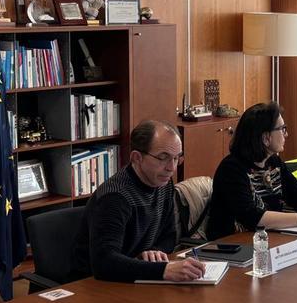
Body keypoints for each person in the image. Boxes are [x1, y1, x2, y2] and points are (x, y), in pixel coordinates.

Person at [71, 120, 206, 282]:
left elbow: (169, 236)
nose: (172, 168)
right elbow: (104, 263)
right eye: (163, 158)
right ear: (137, 158)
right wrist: (162, 270)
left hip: (136, 278)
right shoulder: (115, 197)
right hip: (93, 287)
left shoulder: (163, 183)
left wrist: (154, 251)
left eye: (177, 158)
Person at [207, 102, 297, 240]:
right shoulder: (232, 169)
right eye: (282, 129)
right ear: (266, 138)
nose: (286, 134)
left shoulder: (273, 162)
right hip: (233, 244)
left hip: (268, 239)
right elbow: (252, 217)